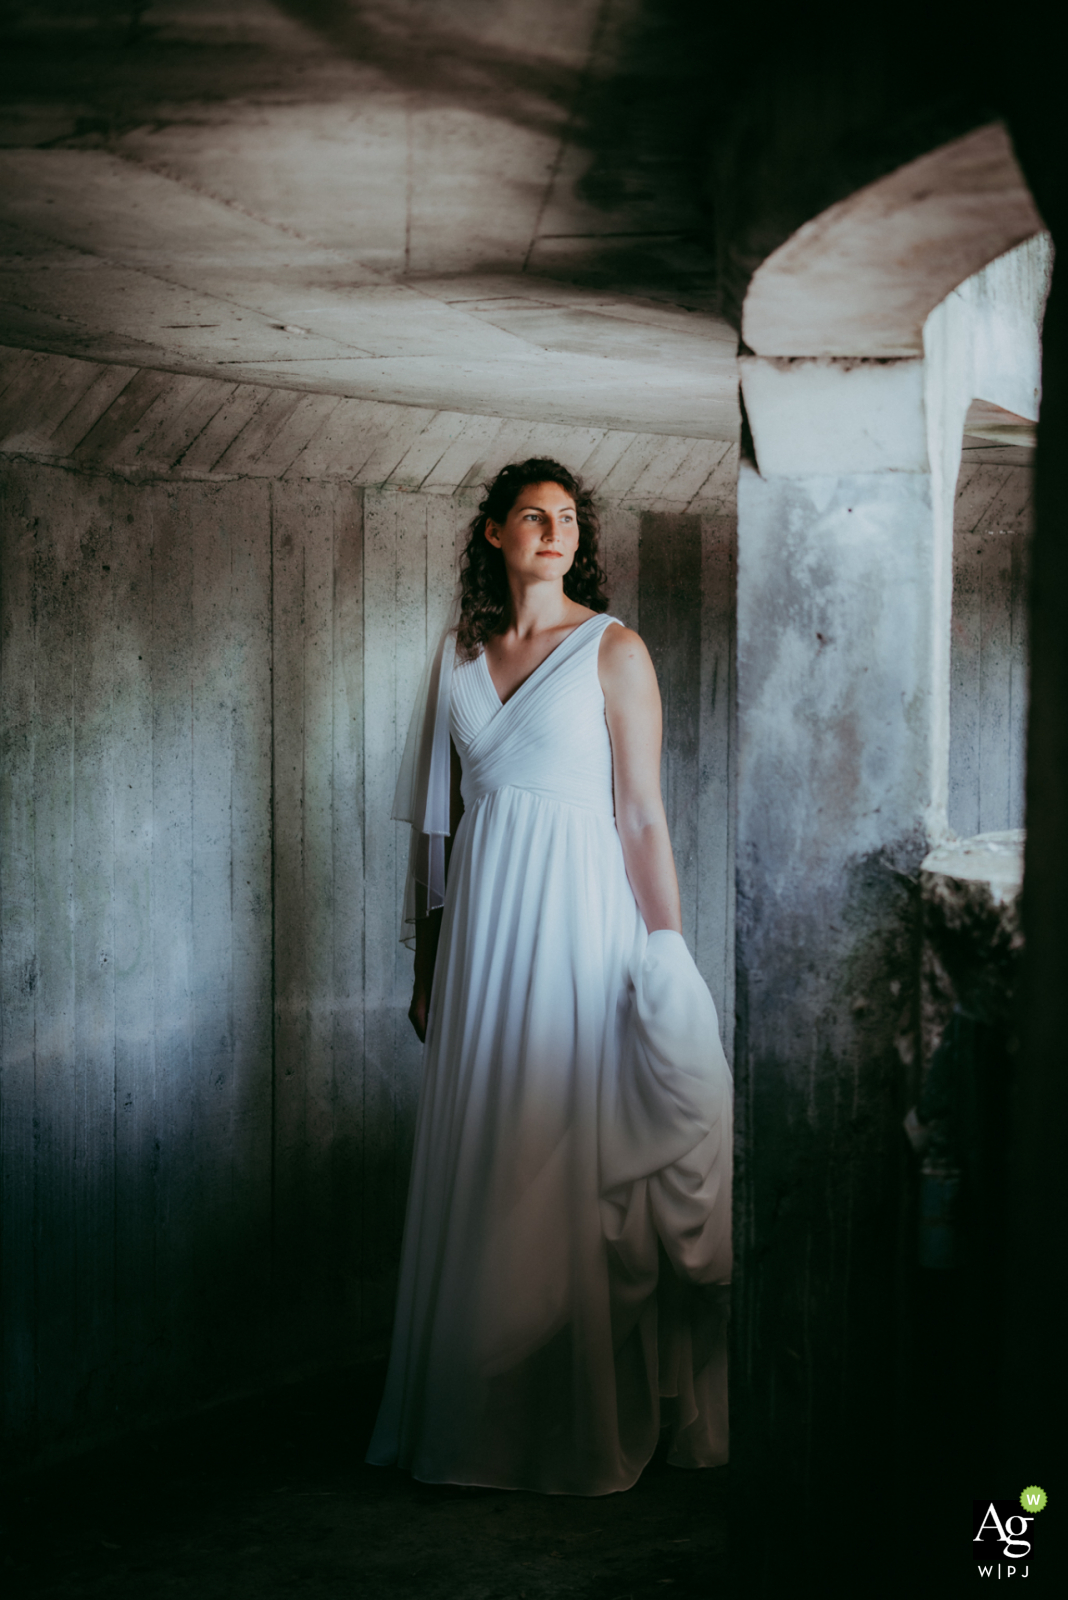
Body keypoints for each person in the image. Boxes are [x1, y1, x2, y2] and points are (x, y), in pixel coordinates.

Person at [367, 458, 732, 1495]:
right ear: (493, 533)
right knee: (490, 1152)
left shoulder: (616, 650)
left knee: (574, 1144)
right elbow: (436, 837)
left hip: (582, 914)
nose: (554, 530)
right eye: (533, 516)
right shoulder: (455, 656)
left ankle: (579, 1418)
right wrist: (431, 966)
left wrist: (669, 952)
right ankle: (484, 1425)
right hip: (485, 930)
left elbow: (644, 815)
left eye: (568, 518)